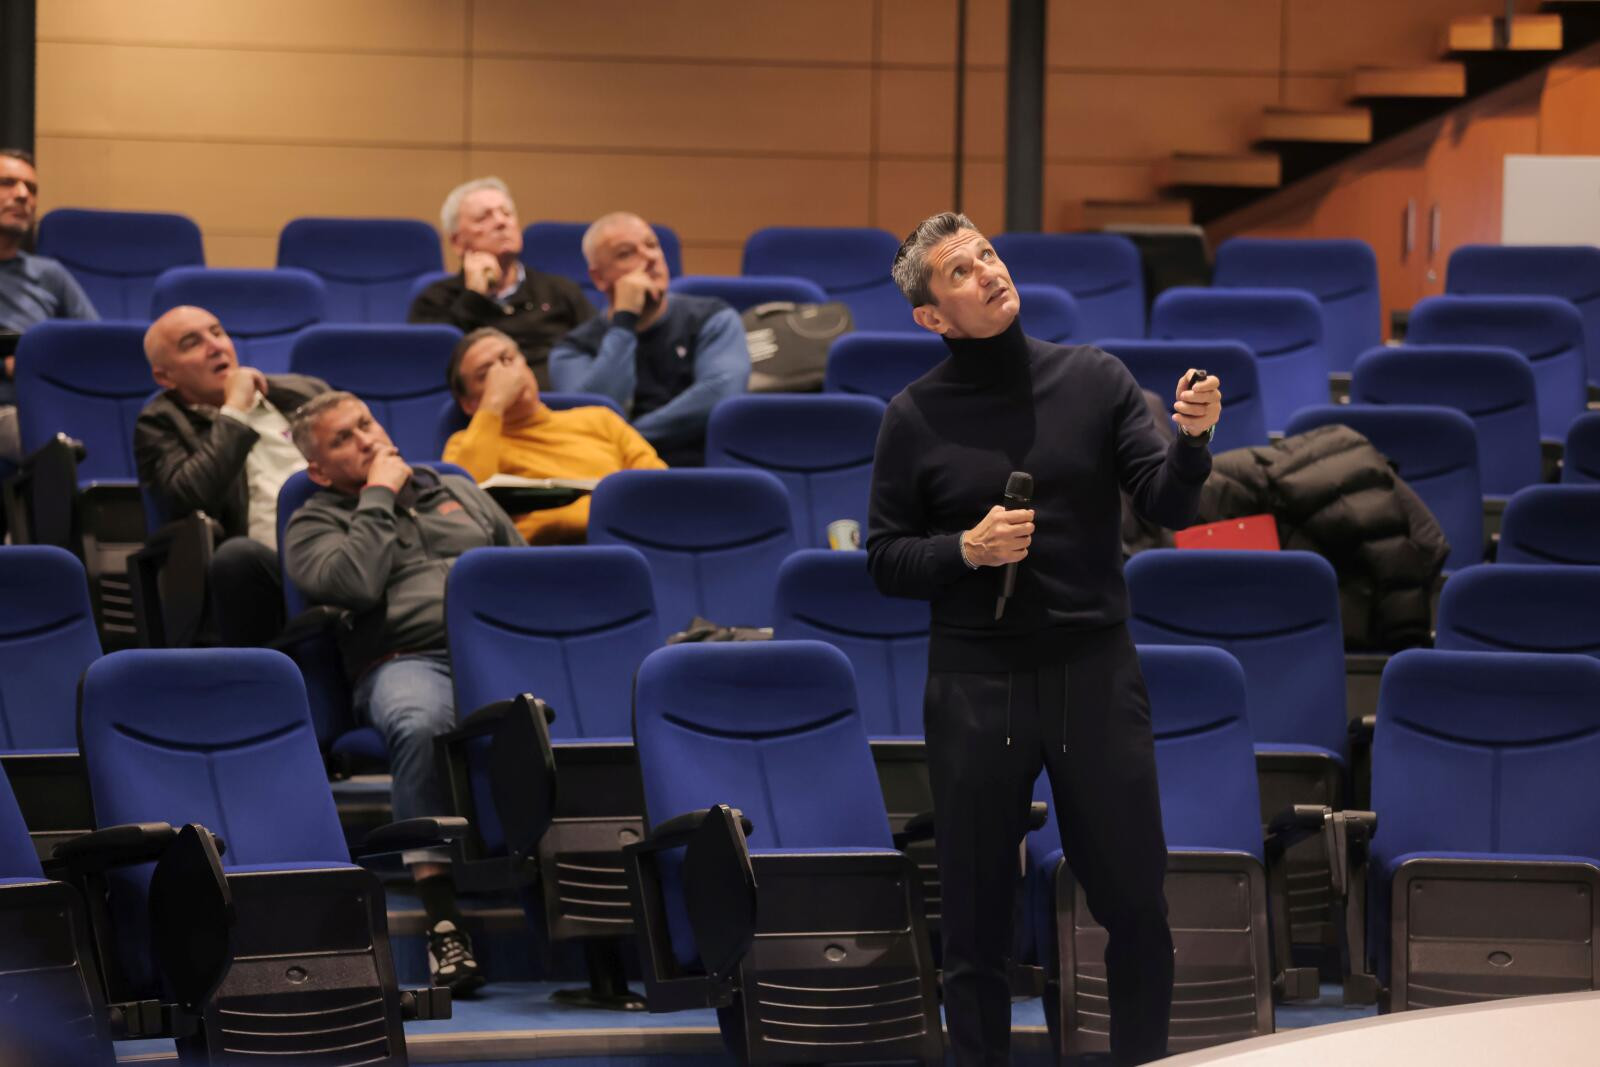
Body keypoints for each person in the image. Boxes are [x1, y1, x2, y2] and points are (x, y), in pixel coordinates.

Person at [865, 213, 1222, 1067]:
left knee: (1135, 903)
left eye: (987, 254)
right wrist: (966, 549)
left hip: (1092, 670)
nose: (988, 271)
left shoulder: (1093, 379)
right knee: (977, 924)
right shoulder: (913, 417)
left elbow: (1166, 503)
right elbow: (884, 559)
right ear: (931, 316)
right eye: (960, 271)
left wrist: (1192, 442)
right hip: (976, 681)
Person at [283, 391, 525, 995]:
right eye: (343, 439)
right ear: (319, 470)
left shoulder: (456, 489)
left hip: (498, 653)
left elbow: (522, 568)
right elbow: (354, 585)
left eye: (365, 424)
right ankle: (443, 921)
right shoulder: (312, 521)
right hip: (405, 661)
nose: (365, 439)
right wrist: (378, 496)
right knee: (421, 723)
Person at [135, 305, 326, 646]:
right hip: (269, 567)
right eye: (192, 343)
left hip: (341, 541)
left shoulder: (304, 392)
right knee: (237, 557)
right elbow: (189, 496)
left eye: (217, 332)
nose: (215, 346)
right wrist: (234, 412)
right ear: (165, 377)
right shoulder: (161, 422)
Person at [548, 212, 749, 466]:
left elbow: (720, 394)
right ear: (599, 278)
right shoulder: (573, 349)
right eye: (626, 253)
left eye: (652, 245)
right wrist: (624, 322)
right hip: (613, 474)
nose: (651, 258)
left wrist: (627, 438)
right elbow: (594, 417)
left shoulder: (713, 317)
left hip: (700, 469)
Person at [442, 327, 665, 544]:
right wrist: (493, 403)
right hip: (535, 557)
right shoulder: (464, 443)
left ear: (526, 365)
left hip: (622, 543)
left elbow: (659, 487)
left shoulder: (601, 419)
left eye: (508, 359)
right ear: (469, 404)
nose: (504, 375)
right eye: (486, 375)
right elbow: (468, 513)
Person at [408, 176, 594, 386]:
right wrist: (474, 297)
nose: (501, 222)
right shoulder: (434, 300)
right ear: (457, 242)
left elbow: (597, 353)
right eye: (483, 218)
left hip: (559, 401)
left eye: (507, 213)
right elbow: (433, 370)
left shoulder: (559, 291)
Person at [0, 148, 98, 463]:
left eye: (31, 189)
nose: (22, 195)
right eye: (7, 183)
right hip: (9, 412)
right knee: (54, 447)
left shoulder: (49, 274)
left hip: (50, 401)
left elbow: (96, 343)